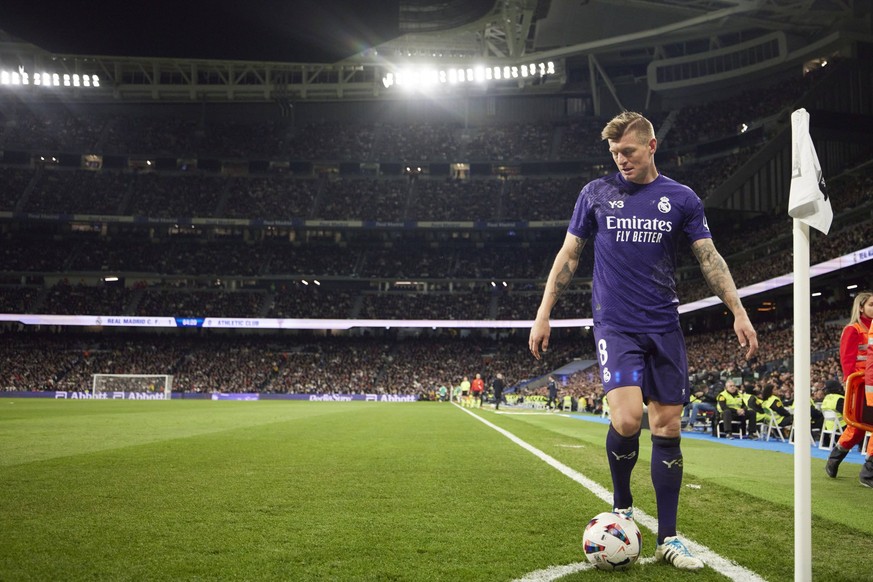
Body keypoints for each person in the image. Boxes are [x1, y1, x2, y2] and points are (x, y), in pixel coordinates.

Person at [529, 111, 758, 570]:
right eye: (614, 154)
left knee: (668, 428)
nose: (621, 161)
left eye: (628, 152)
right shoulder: (596, 193)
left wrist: (738, 310)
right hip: (616, 325)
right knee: (629, 418)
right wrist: (543, 312)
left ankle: (668, 538)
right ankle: (622, 505)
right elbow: (569, 254)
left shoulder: (682, 198)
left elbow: (710, 259)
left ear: (651, 146)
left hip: (664, 326)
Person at [825, 291, 873, 487]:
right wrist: (851, 386)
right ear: (861, 307)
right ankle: (836, 461)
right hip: (859, 385)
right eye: (871, 305)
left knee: (861, 428)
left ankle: (861, 468)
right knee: (857, 430)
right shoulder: (853, 329)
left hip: (868, 382)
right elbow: (847, 361)